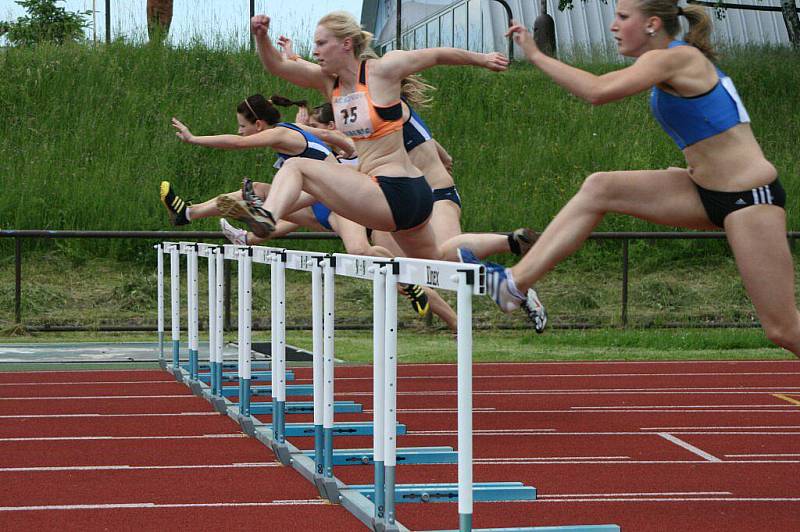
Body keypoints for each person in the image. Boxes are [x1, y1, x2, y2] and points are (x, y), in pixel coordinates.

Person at [460, 0, 800, 356]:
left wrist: (536, 54)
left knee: (783, 328)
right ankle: (515, 284)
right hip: (703, 189)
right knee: (601, 187)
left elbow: (596, 91)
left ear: (652, 24)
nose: (613, 26)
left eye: (623, 17)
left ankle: (515, 283)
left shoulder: (672, 57)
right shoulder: (669, 62)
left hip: (750, 197)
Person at [239, 11, 508, 263]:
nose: (314, 51)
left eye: (321, 43)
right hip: (410, 195)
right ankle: (511, 247)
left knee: (296, 166)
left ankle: (268, 215)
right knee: (436, 259)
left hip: (393, 188)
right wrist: (261, 36)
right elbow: (277, 66)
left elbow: (436, 55)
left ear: (346, 44)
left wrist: (482, 59)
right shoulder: (329, 83)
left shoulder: (382, 70)